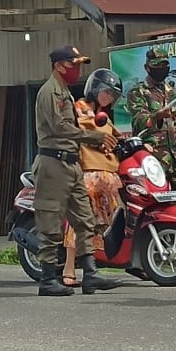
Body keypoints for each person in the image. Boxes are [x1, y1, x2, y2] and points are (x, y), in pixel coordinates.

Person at [32, 45, 121, 297]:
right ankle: (48, 278)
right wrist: (93, 137)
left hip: (71, 164)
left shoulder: (65, 93)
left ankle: (90, 274)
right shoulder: (49, 92)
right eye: (74, 65)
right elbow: (60, 128)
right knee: (50, 223)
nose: (77, 70)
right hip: (53, 164)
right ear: (59, 65)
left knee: (85, 219)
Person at [58, 69, 126, 290]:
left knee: (102, 225)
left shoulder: (104, 117)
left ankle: (94, 270)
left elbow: (117, 135)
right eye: (107, 92)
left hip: (107, 177)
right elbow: (88, 130)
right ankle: (69, 269)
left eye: (112, 95)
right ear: (95, 89)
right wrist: (102, 138)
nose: (109, 98)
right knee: (79, 223)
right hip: (88, 174)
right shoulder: (80, 108)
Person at [125, 47, 176, 217]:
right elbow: (139, 121)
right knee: (152, 200)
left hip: (174, 152)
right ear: (147, 68)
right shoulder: (137, 92)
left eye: (165, 65)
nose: (162, 68)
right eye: (157, 65)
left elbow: (172, 125)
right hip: (152, 154)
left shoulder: (170, 91)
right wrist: (158, 115)